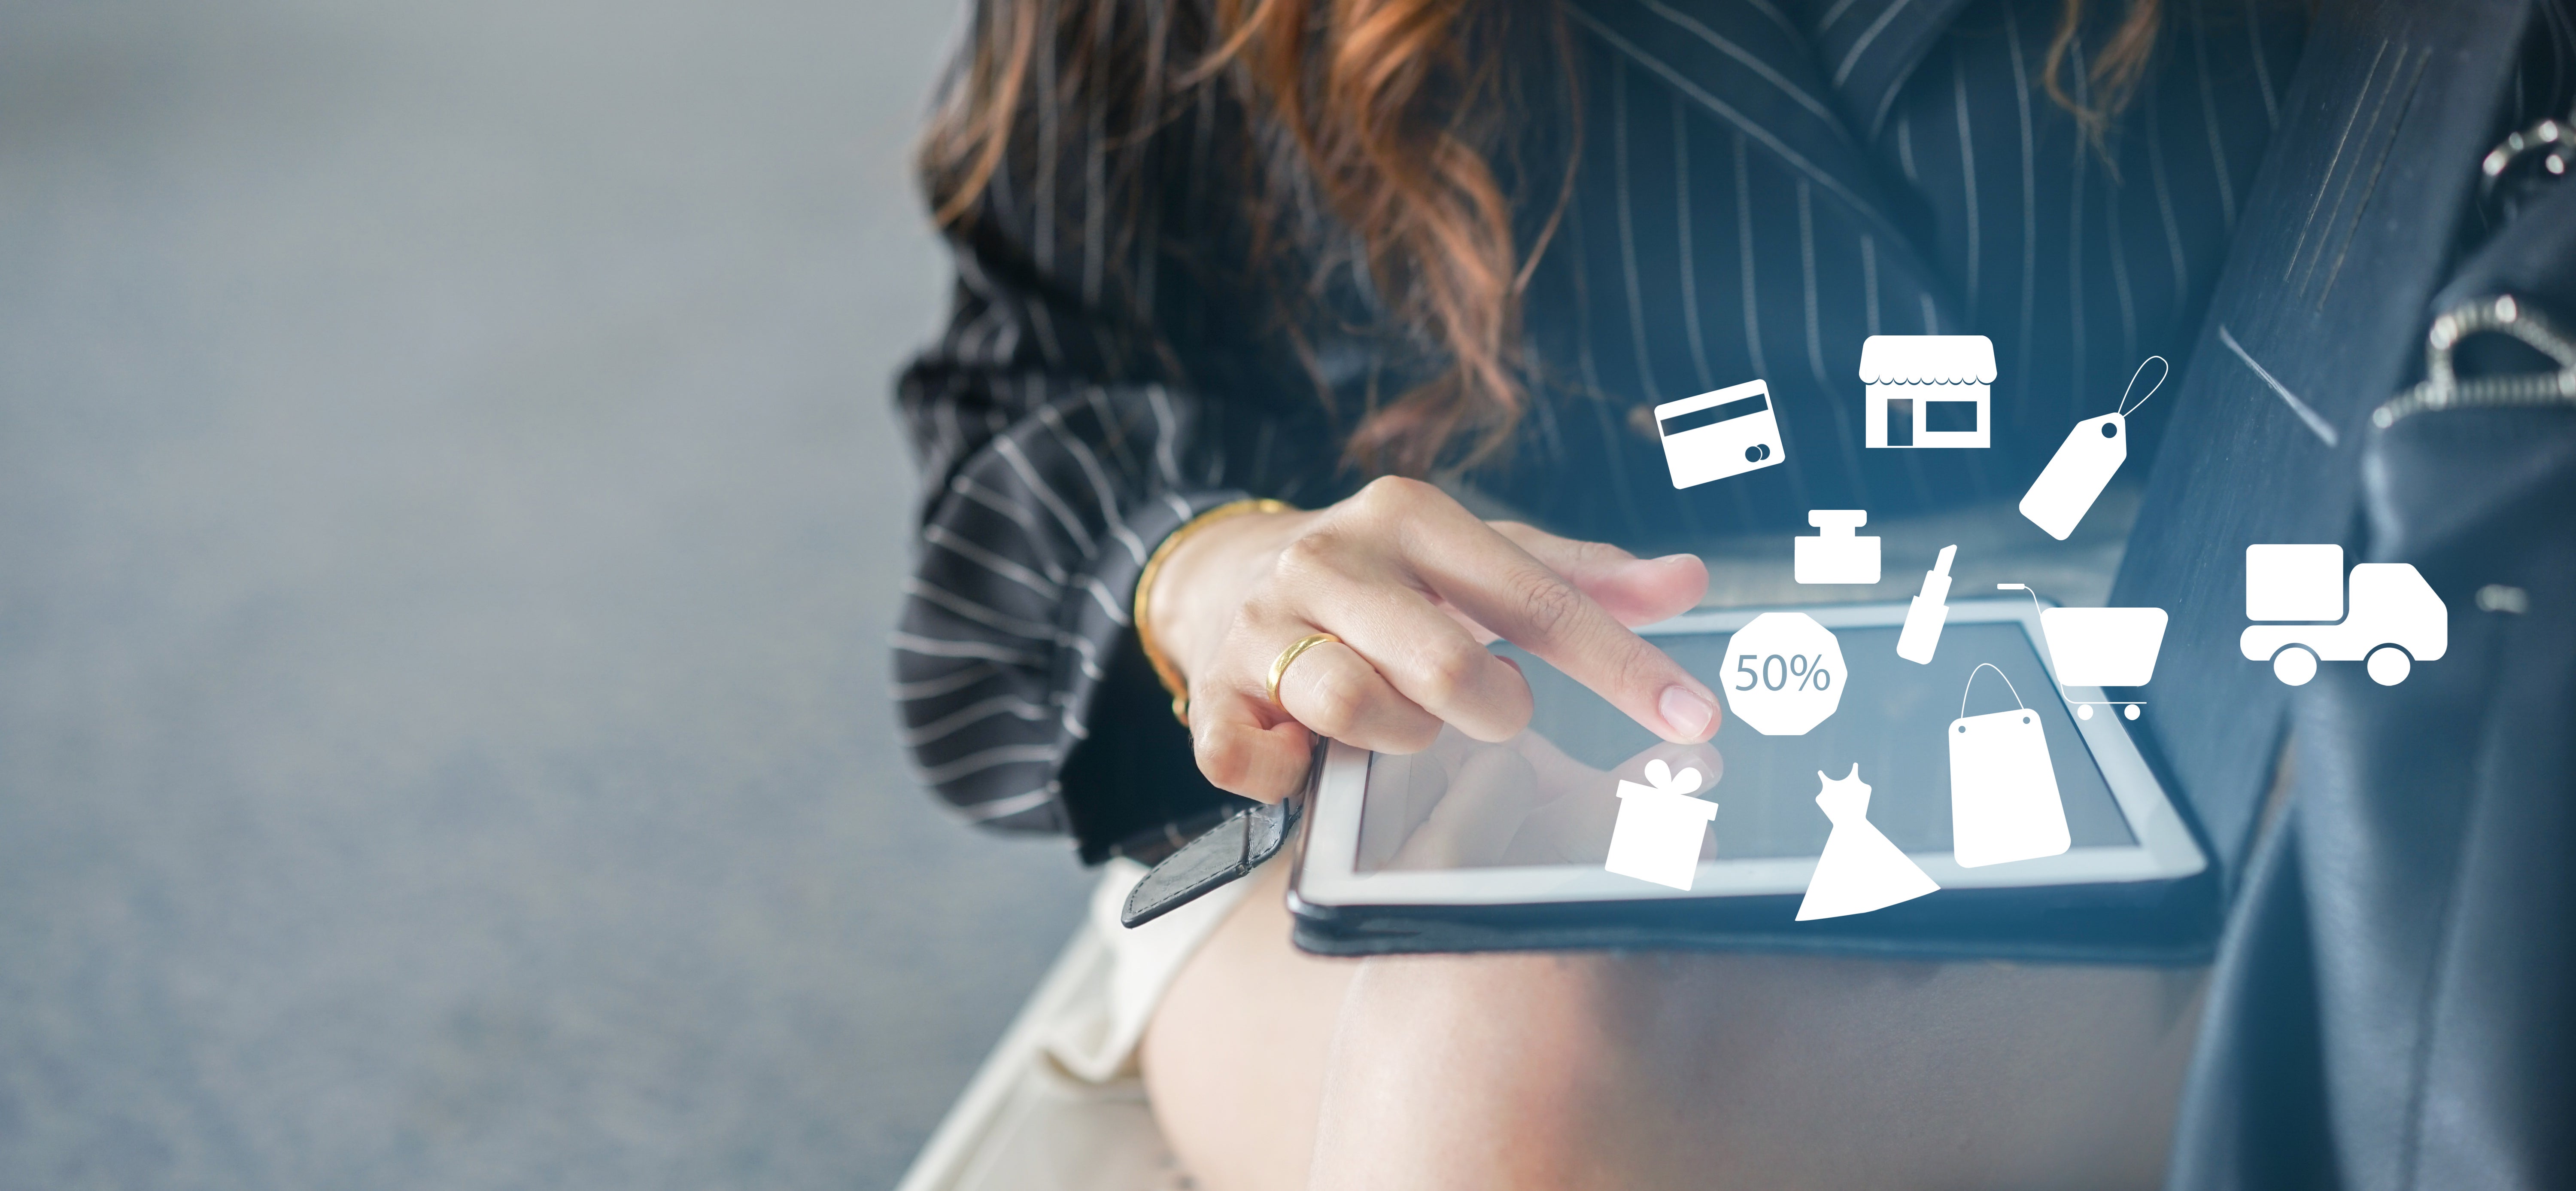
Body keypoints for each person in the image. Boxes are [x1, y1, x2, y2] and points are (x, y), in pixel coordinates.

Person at [892, 0, 2575, 1186]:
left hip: (2189, 637)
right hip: (1429, 710)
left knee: (1516, 1108)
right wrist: (1209, 571)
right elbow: (1032, 398)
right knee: (1507, 1089)